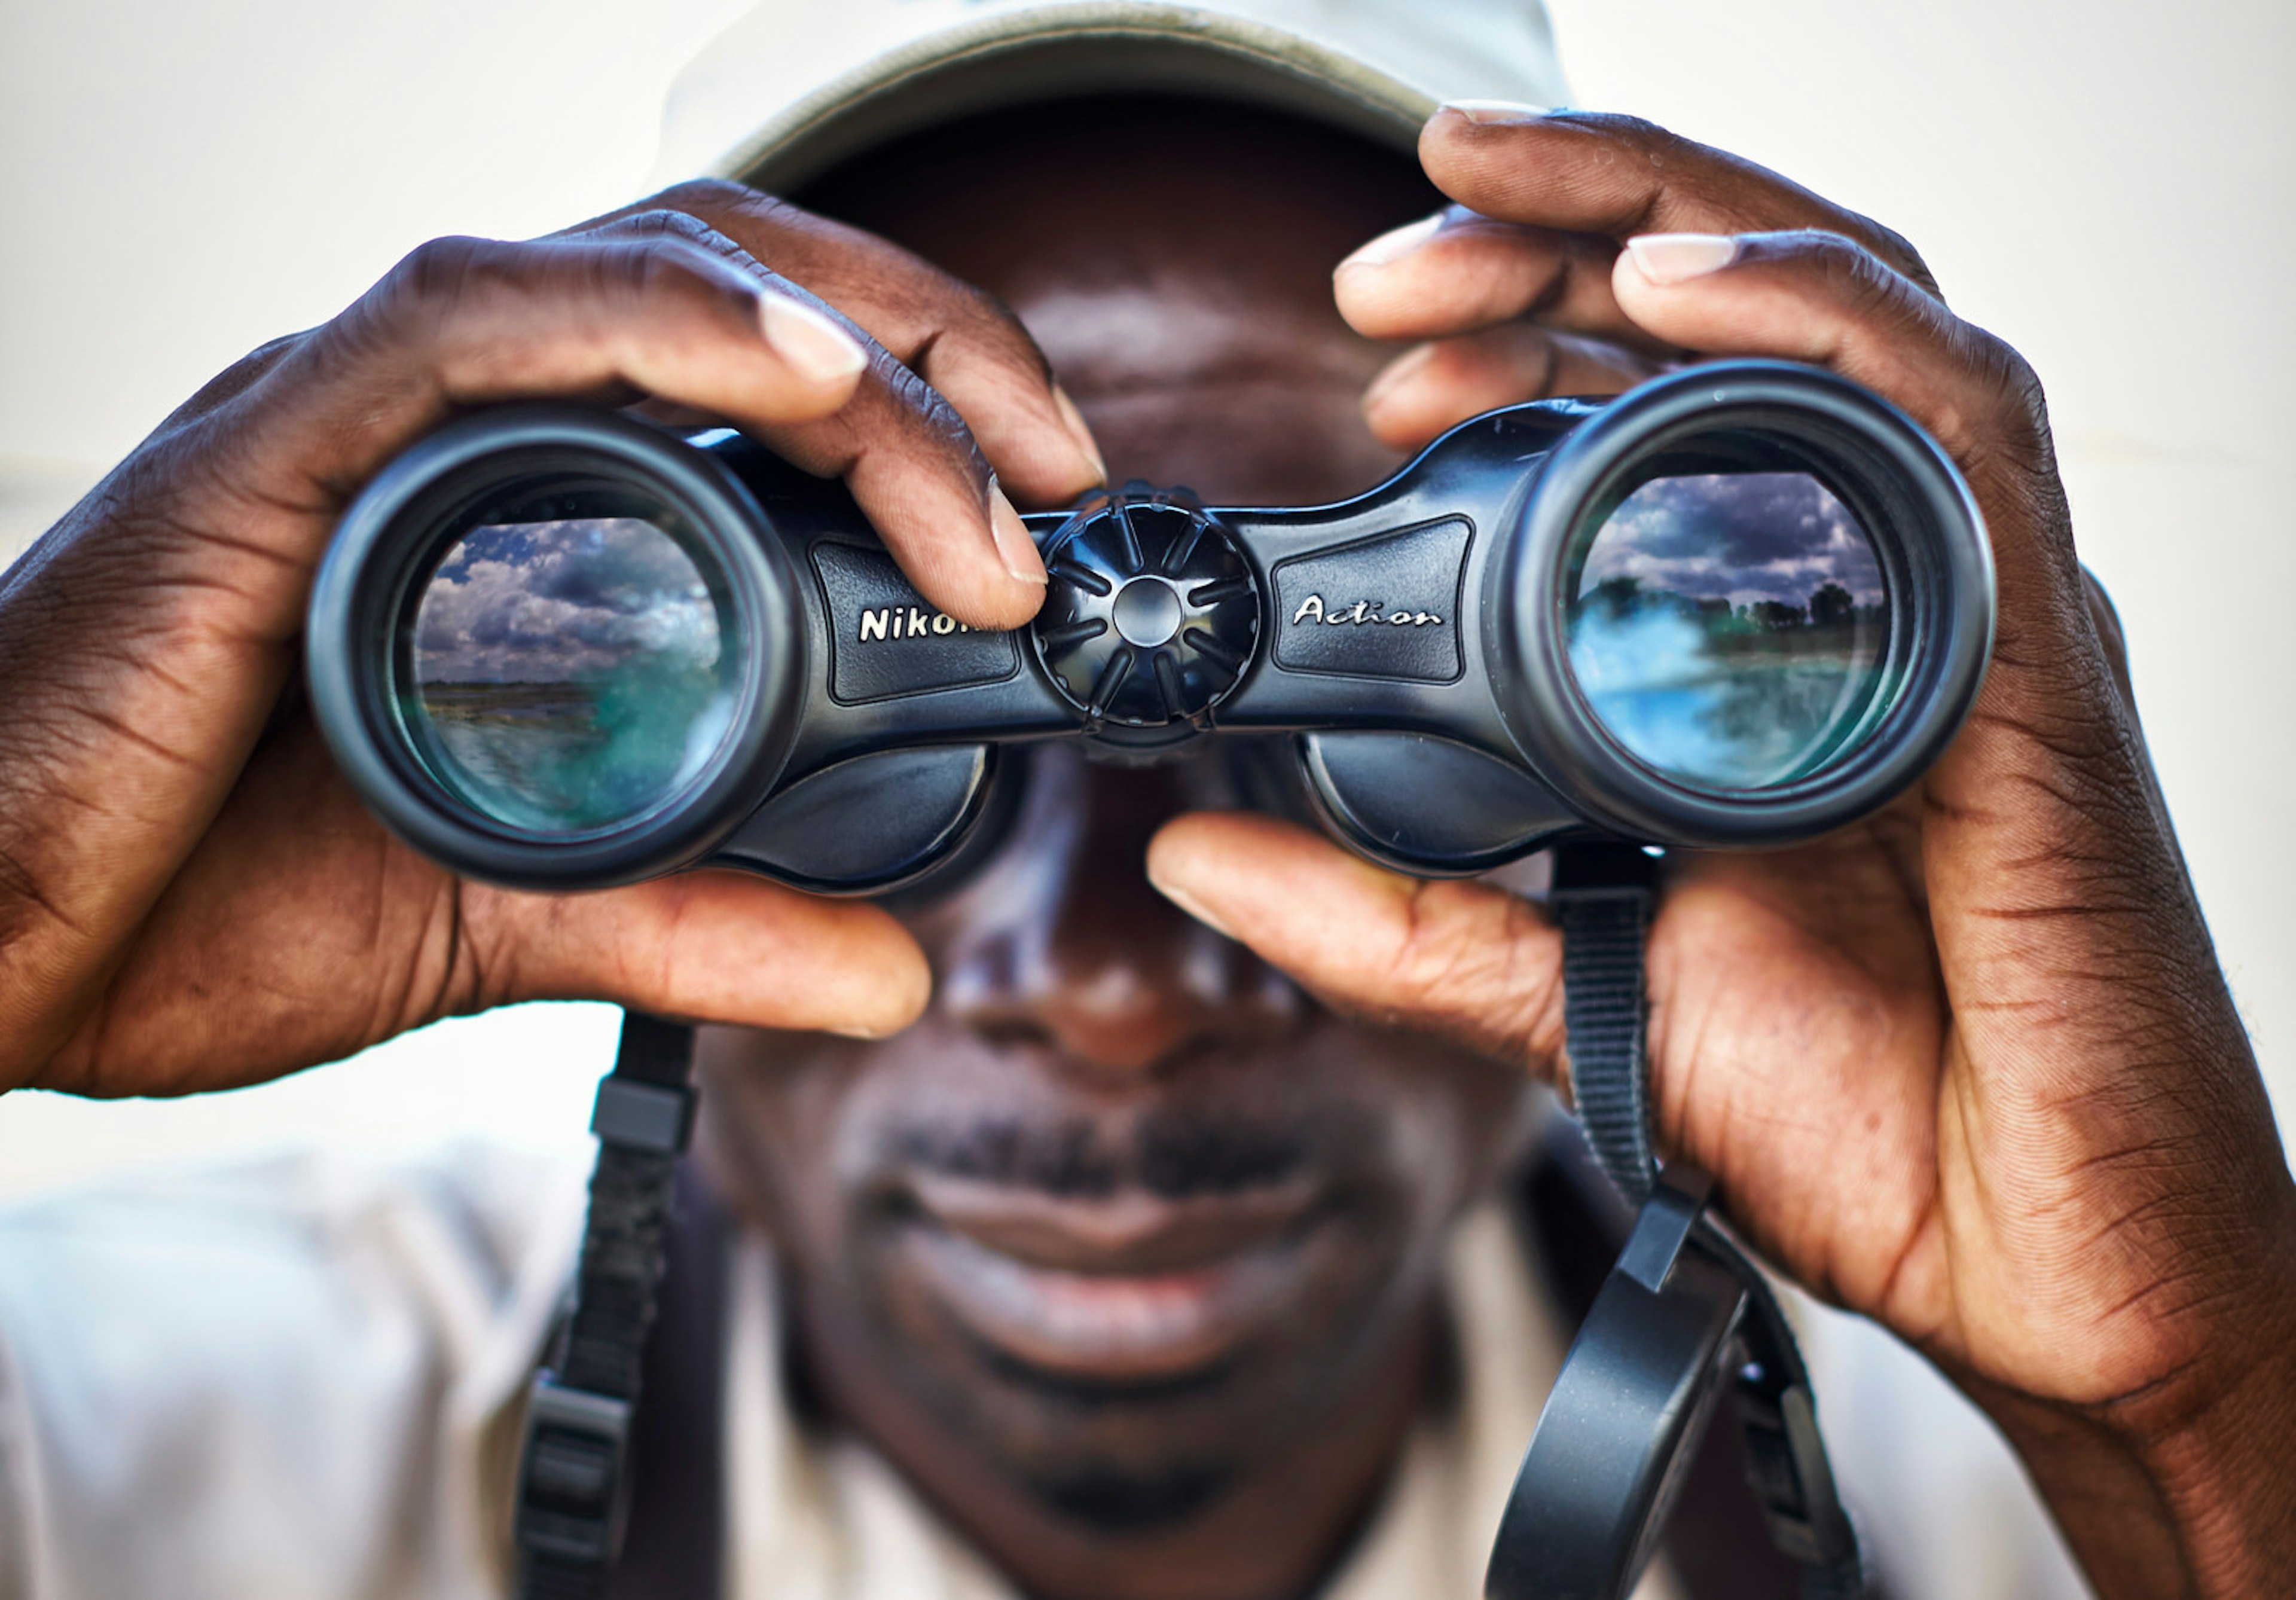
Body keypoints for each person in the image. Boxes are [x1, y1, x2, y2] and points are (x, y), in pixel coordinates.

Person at [0, 4, 2290, 1598]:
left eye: (1417, 684)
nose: (1112, 982)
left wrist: (2191, 1414)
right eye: (840, 681)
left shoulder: (1998, 1510)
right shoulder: (132, 1443)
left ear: (1645, 758)